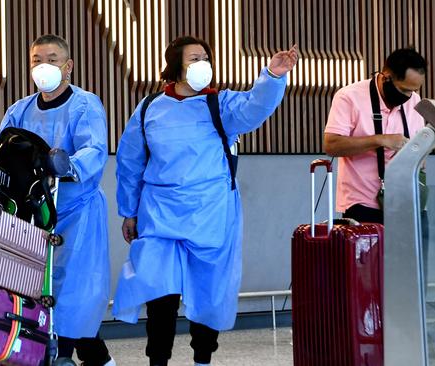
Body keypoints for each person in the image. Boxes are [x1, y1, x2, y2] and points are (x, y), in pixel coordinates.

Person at [112, 35, 298, 366]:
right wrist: (128, 211)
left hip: (211, 212)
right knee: (159, 293)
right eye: (193, 58)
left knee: (208, 291)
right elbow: (130, 162)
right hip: (159, 213)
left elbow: (255, 107)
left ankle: (202, 359)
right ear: (174, 65)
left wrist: (272, 76)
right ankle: (158, 360)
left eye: (205, 57)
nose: (202, 64)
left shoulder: (220, 105)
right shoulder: (149, 109)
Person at [0, 34, 114, 366]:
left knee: (72, 301)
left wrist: (67, 165)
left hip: (76, 214)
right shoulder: (19, 110)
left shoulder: (85, 105)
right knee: (37, 296)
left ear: (68, 66)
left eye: (52, 59)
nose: (43, 65)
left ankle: (59, 357)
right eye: (36, 59)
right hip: (32, 217)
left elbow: (94, 150)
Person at [323, 47, 428, 224]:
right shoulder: (349, 97)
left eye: (413, 91)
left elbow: (421, 154)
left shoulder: (415, 101)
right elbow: (331, 145)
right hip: (363, 205)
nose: (408, 97)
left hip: (407, 202)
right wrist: (380, 140)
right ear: (386, 76)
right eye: (403, 90)